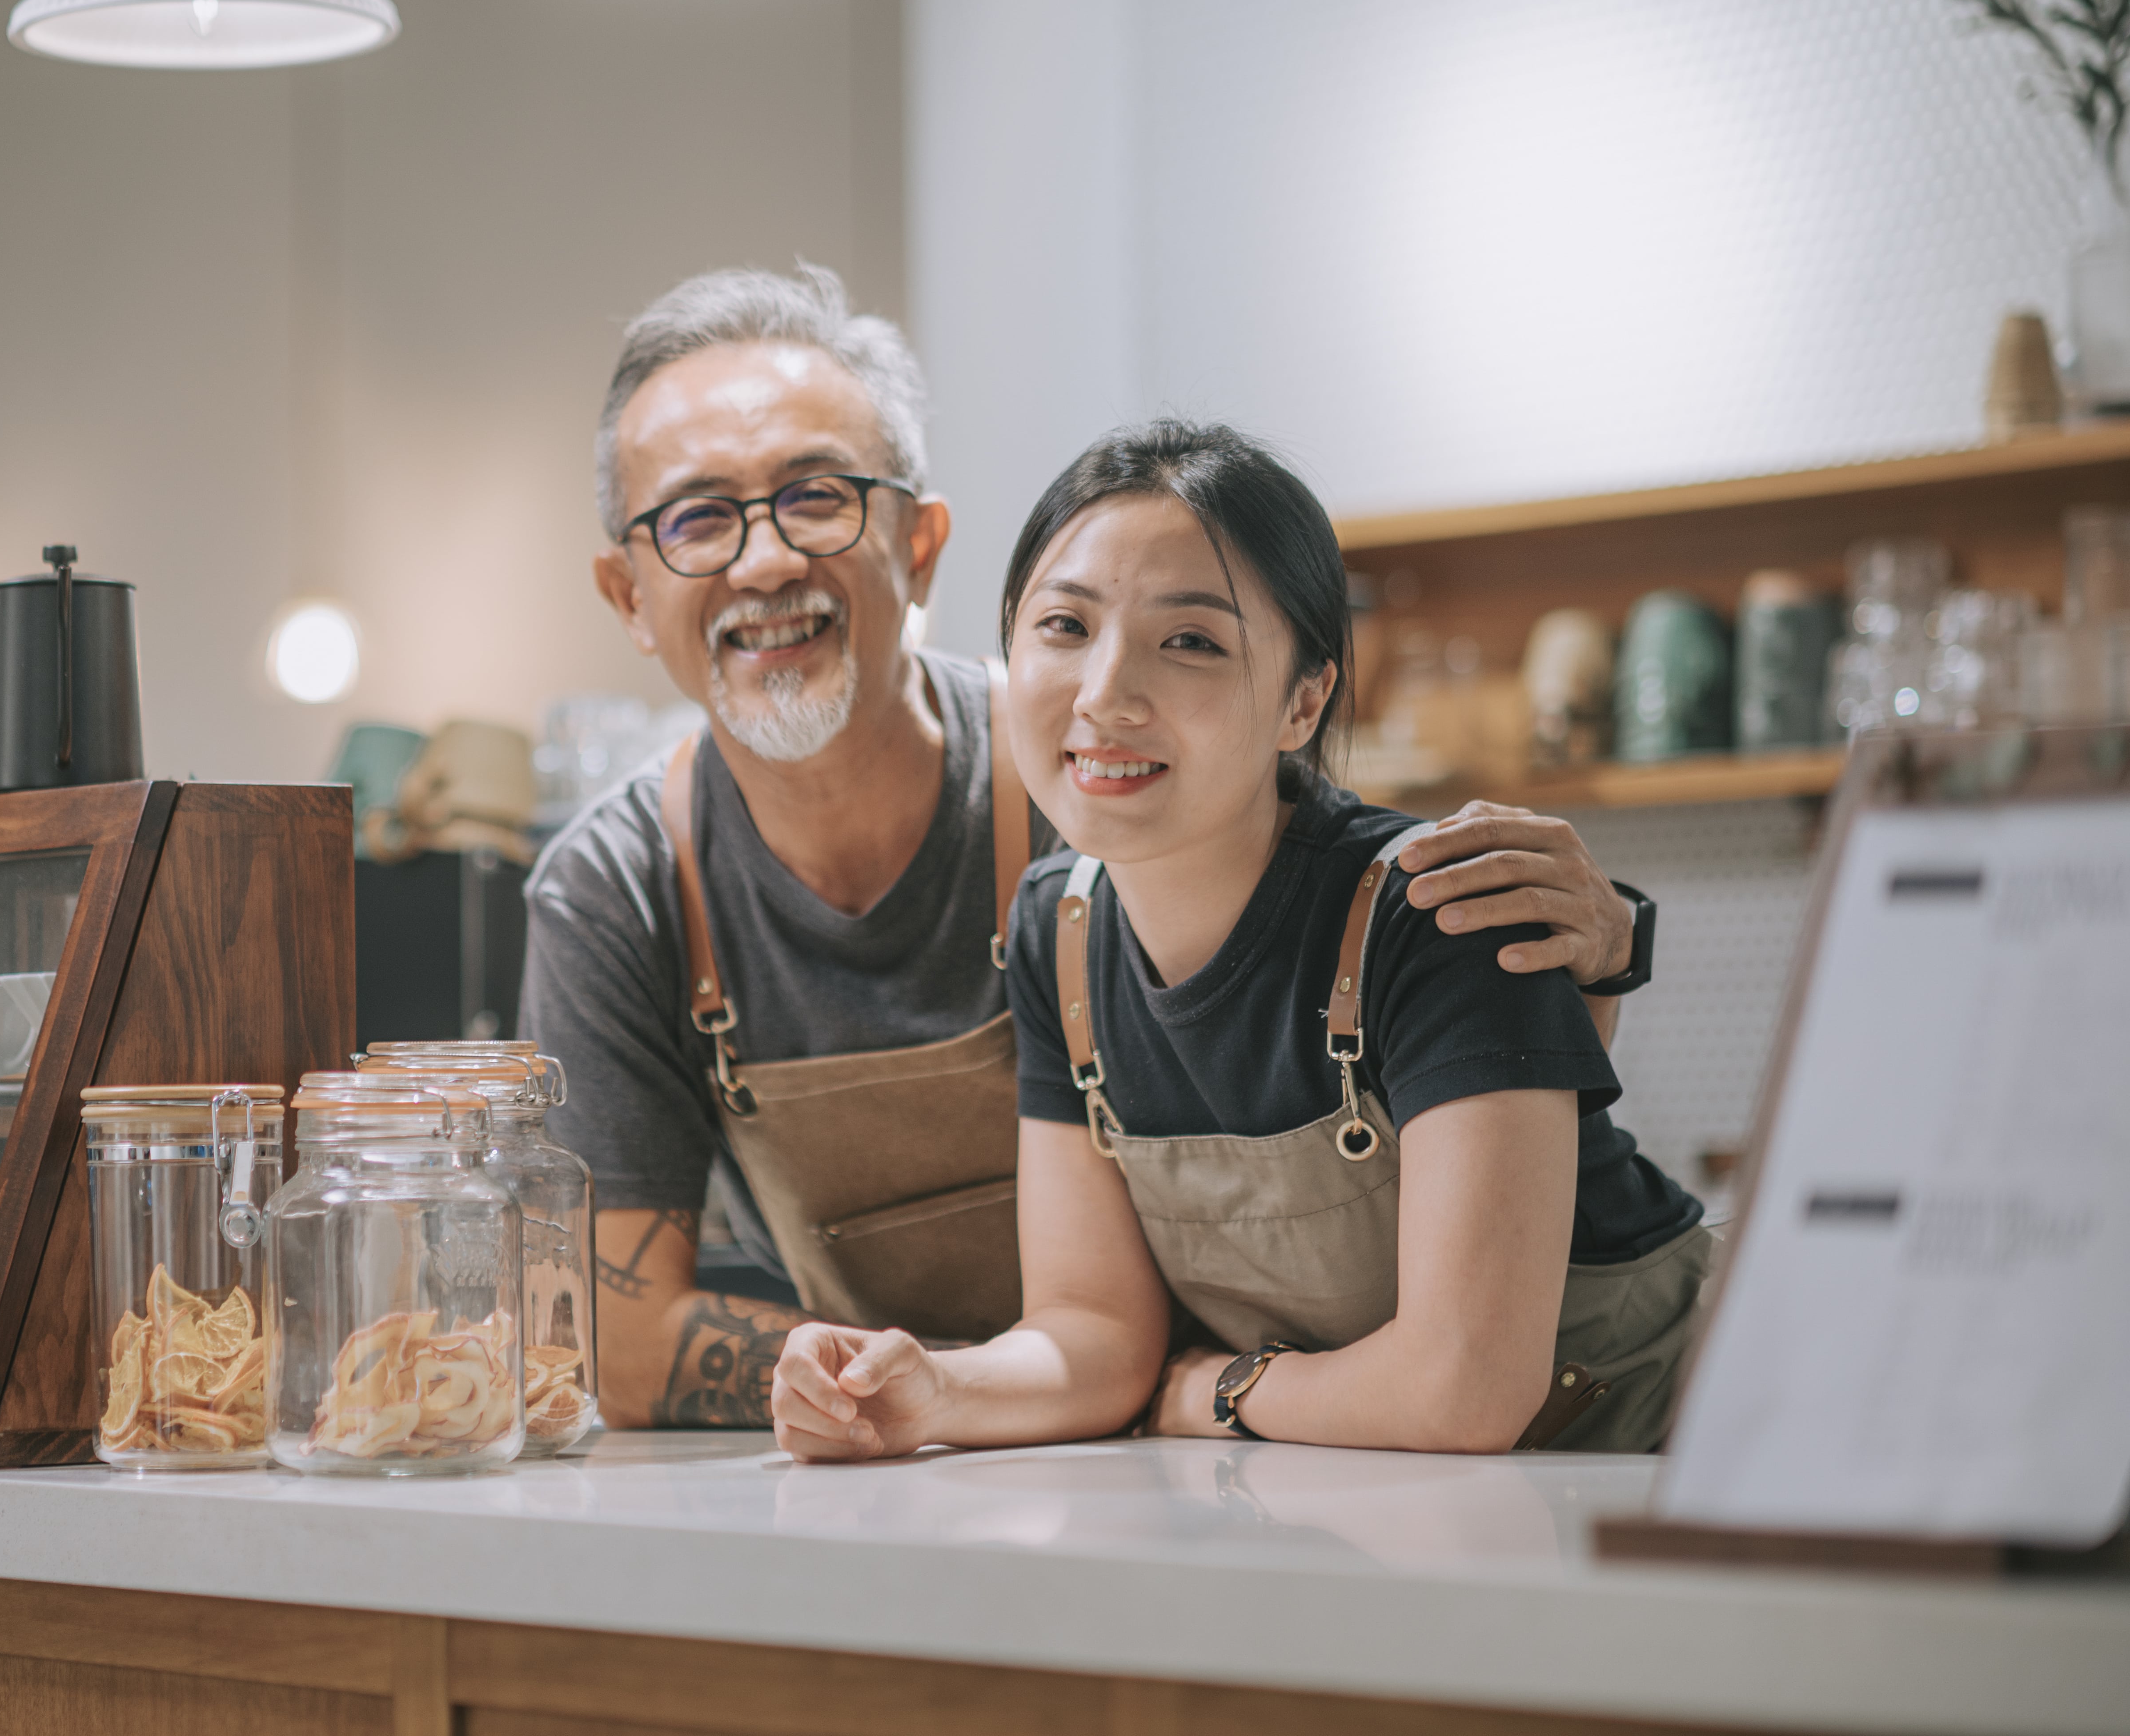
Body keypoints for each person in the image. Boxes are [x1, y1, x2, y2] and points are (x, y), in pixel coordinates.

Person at [517, 267, 1661, 1431]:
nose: (763, 562)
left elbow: (1379, 1000)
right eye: (699, 518)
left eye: (817, 497)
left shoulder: (1122, 789)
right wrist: (932, 1393)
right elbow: (617, 1338)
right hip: (1125, 1455)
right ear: (625, 590)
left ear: (920, 548)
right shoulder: (641, 895)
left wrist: (1597, 965)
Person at [769, 421, 1709, 1462]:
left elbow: (1466, 1388)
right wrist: (932, 1390)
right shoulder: (1060, 932)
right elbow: (1094, 1330)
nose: (1104, 694)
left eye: (1192, 642)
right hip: (1388, 1503)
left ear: (1304, 699)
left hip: (1683, 1469)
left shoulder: (1441, 909)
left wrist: (1221, 1389)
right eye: (1064, 625)